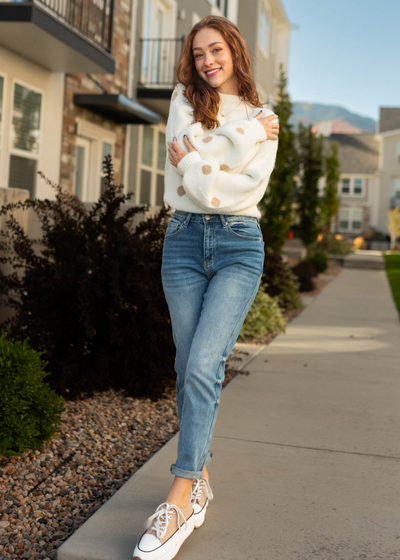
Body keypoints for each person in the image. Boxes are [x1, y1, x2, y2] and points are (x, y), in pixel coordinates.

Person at [133, 14, 279, 560]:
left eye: (215, 50)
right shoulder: (184, 98)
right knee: (185, 363)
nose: (207, 61)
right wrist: (227, 146)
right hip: (184, 242)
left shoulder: (268, 117)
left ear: (235, 51)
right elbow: (183, 160)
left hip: (241, 245)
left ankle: (182, 493)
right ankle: (200, 478)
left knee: (203, 365)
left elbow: (241, 189)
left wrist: (200, 158)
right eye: (198, 54)